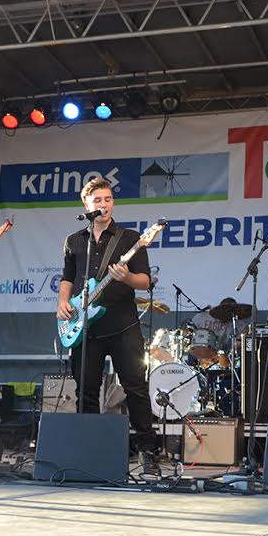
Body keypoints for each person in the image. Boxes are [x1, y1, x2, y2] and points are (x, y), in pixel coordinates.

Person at [56, 178, 159, 471]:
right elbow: (67, 277)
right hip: (86, 328)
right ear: (86, 204)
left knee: (135, 387)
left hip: (123, 324)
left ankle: (147, 451)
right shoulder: (75, 240)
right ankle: (89, 449)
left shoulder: (131, 238)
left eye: (108, 199)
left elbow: (145, 281)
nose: (104, 205)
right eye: (98, 200)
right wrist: (62, 302)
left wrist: (127, 278)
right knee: (86, 389)